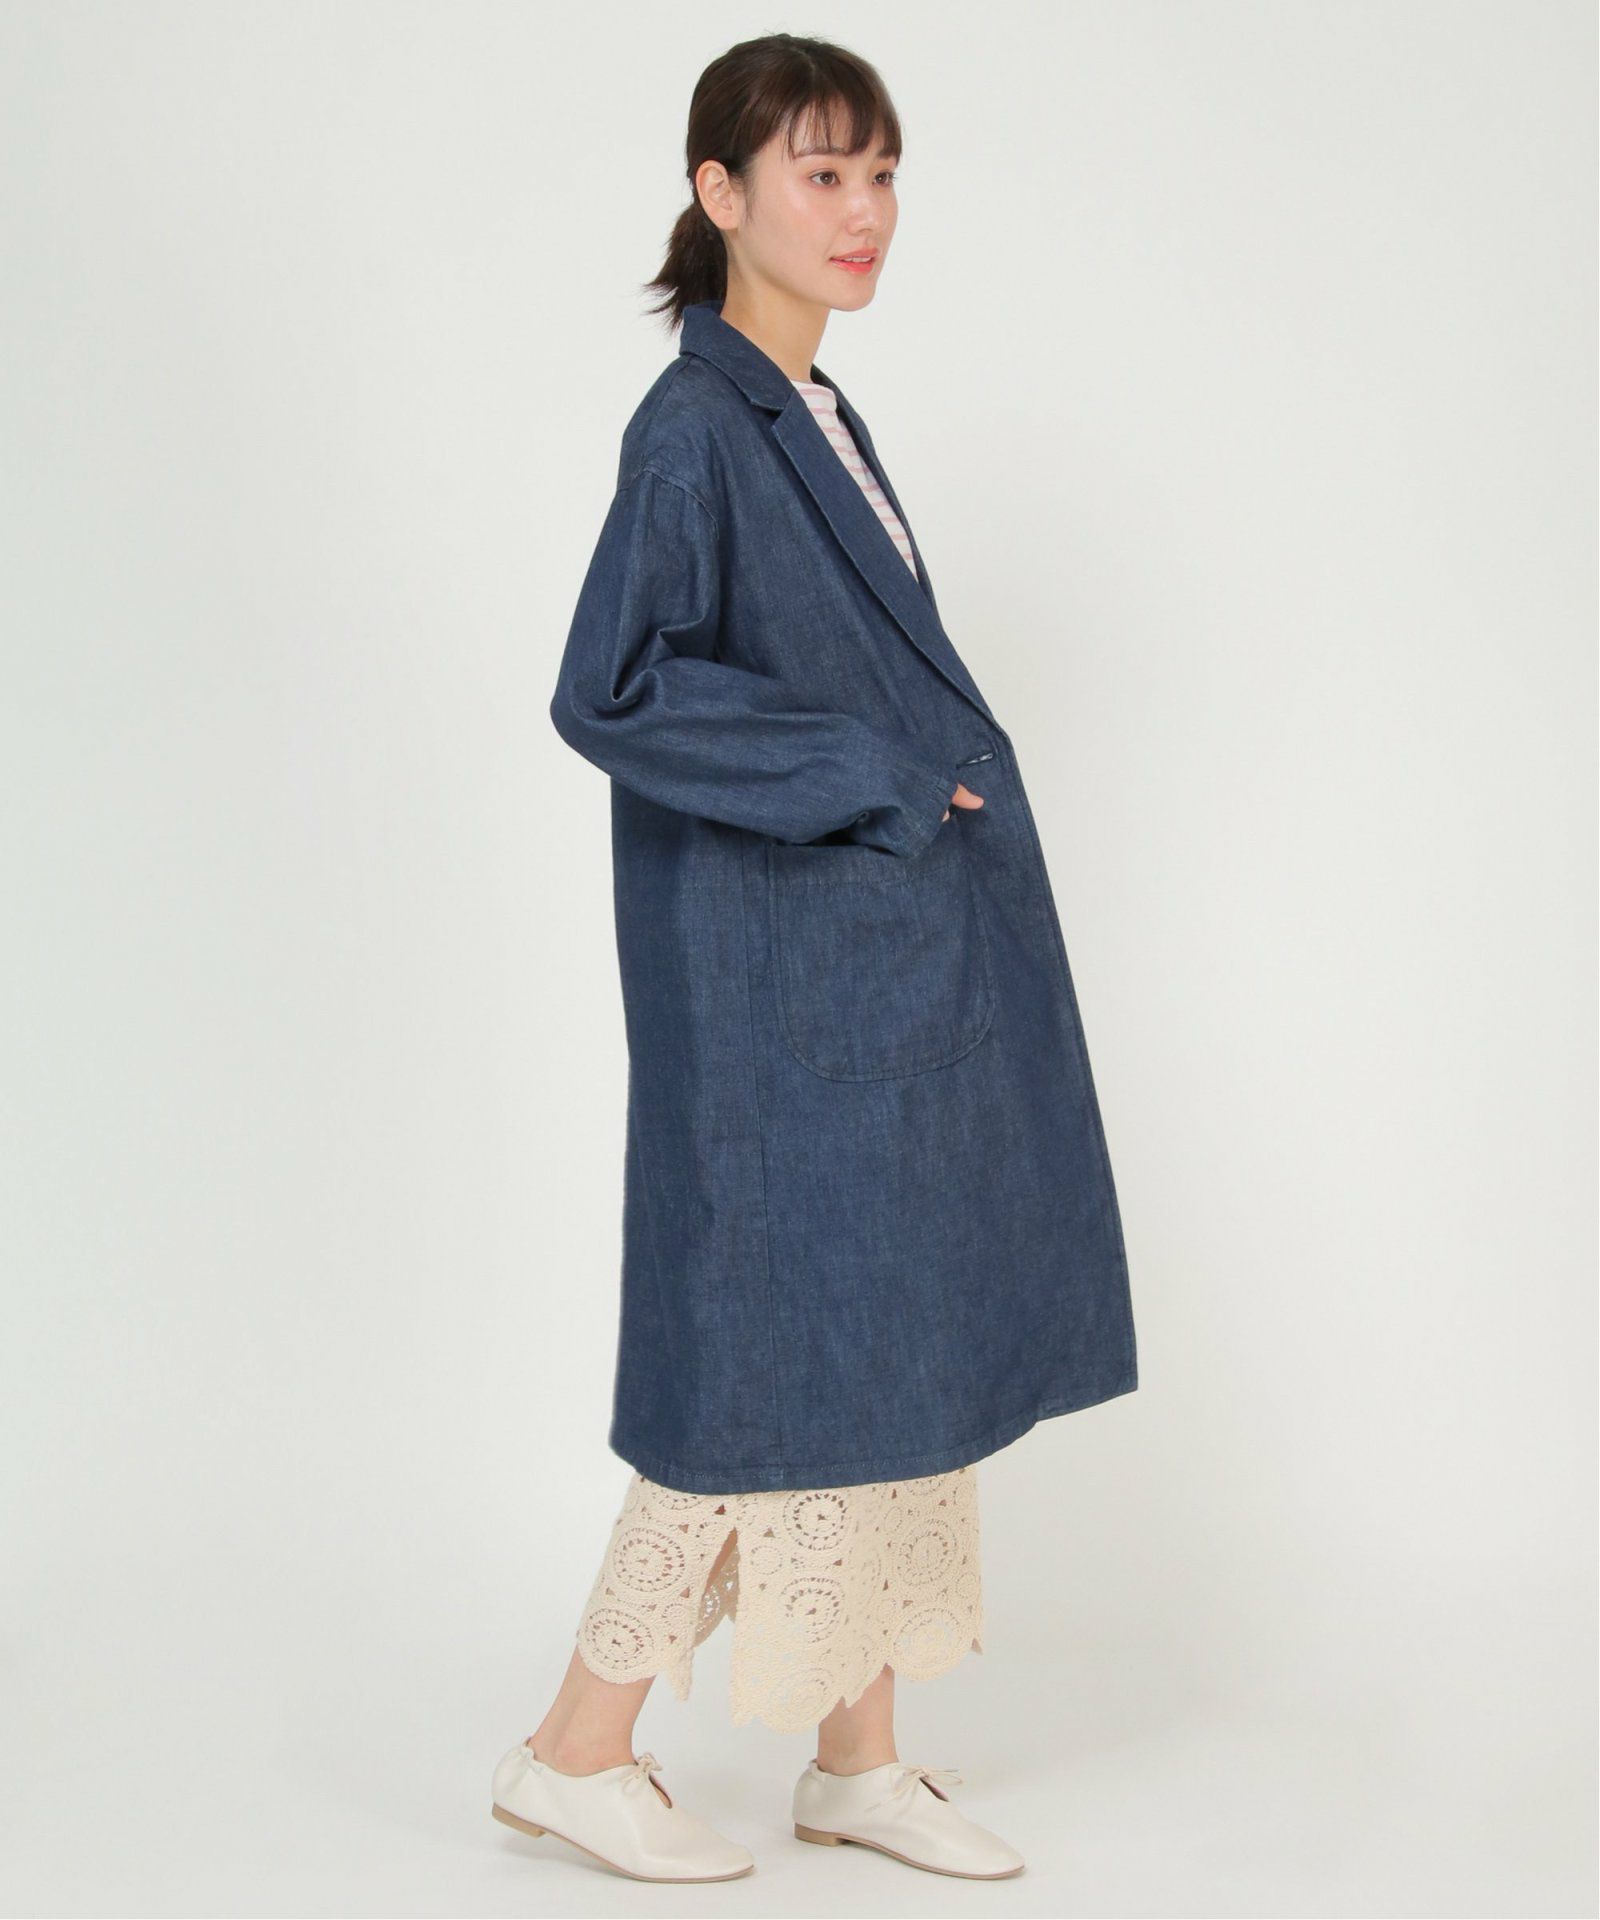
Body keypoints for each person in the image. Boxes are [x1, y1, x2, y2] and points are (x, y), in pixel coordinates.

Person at [490, 30, 1138, 1884]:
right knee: (767, 1373)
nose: (863, 212)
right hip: (778, 991)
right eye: (820, 173)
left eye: (881, 173)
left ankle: (857, 1759)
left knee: (890, 1343)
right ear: (720, 194)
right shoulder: (697, 425)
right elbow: (611, 688)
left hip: (868, 973)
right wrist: (881, 776)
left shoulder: (816, 409)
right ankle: (574, 1750)